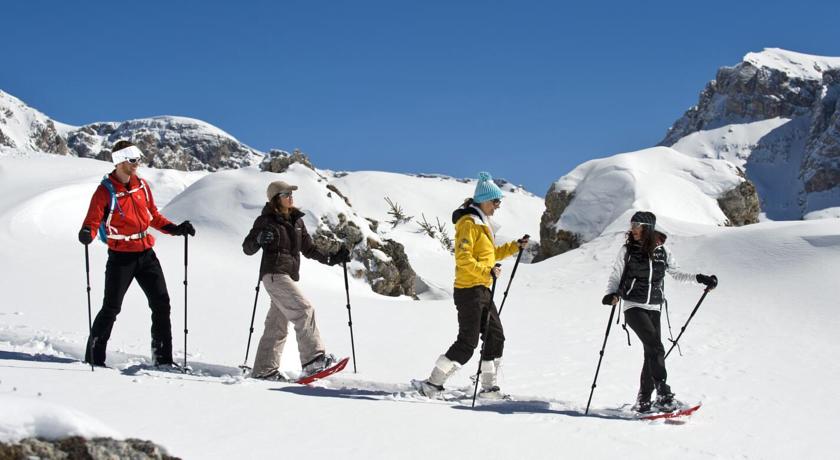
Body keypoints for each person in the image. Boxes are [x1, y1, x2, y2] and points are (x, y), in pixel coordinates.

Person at [78, 140, 196, 368]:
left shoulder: (141, 186)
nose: (137, 164)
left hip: (146, 253)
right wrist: (86, 232)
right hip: (121, 257)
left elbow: (152, 216)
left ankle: (163, 359)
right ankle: (93, 358)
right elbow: (92, 221)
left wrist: (175, 229)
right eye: (133, 160)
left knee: (161, 303)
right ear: (120, 161)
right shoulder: (105, 192)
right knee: (111, 307)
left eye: (138, 160)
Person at [416, 172, 528, 399]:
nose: (497, 206)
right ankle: (432, 384)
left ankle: (488, 388)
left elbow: (490, 254)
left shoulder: (482, 223)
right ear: (485, 200)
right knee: (467, 342)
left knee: (496, 337)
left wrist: (515, 246)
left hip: (483, 289)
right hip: (469, 291)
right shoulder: (469, 223)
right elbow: (463, 258)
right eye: (496, 202)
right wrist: (487, 271)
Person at [602, 211, 718, 412]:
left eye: (636, 225)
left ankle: (644, 401)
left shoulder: (662, 251)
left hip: (655, 307)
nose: (633, 229)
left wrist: (700, 278)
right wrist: (611, 294)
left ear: (647, 228)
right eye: (632, 225)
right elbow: (616, 274)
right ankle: (663, 394)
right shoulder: (627, 250)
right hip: (634, 305)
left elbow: (676, 273)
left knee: (651, 353)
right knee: (656, 348)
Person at [242, 180, 351, 380]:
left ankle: (264, 370)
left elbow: (309, 248)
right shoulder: (266, 221)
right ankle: (313, 361)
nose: (291, 197)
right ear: (276, 198)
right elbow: (247, 247)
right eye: (286, 194)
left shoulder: (297, 221)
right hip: (274, 274)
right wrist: (258, 240)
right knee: (304, 309)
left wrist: (333, 258)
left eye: (291, 193)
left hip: (287, 276)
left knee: (277, 326)